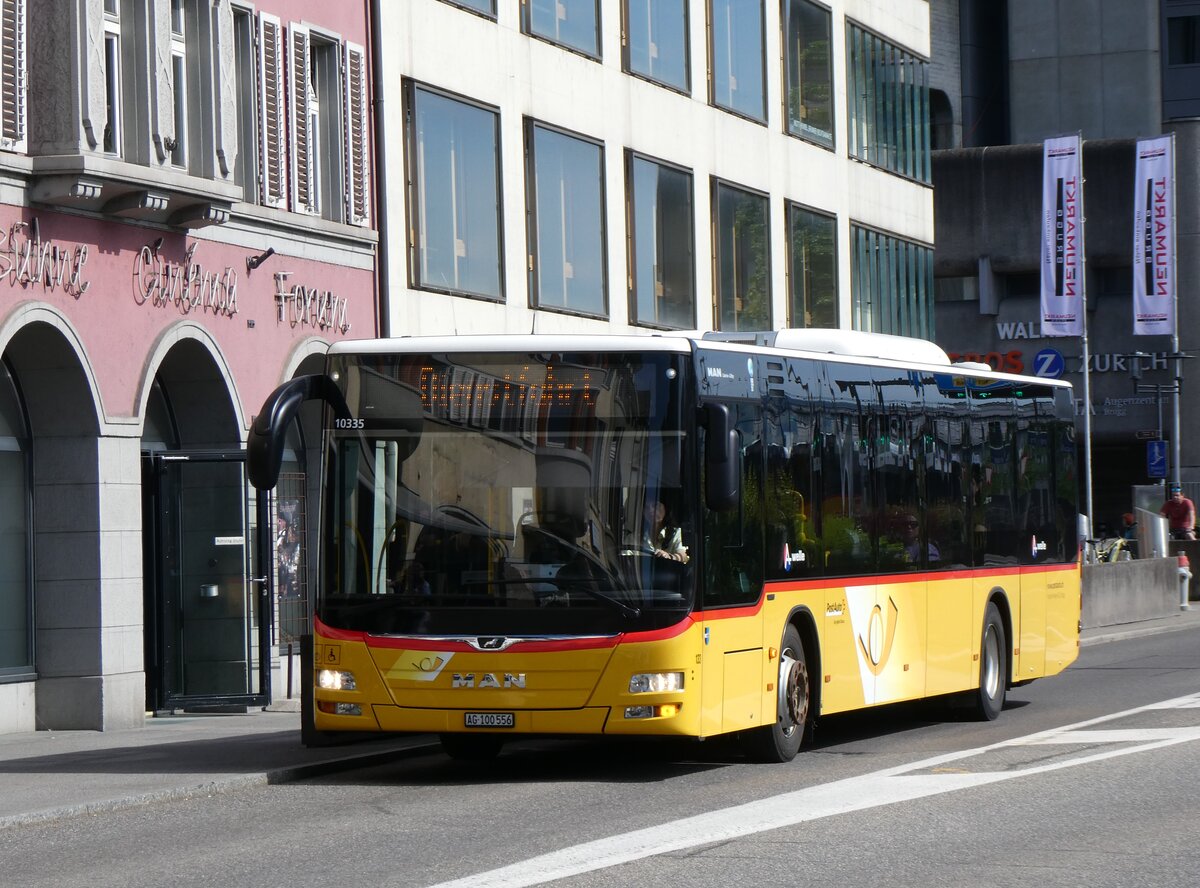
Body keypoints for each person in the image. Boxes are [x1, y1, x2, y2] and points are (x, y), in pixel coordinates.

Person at [644, 498, 688, 563]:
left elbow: (683, 556)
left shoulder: (678, 533)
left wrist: (669, 557)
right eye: (646, 507)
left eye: (656, 505)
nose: (651, 510)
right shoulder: (634, 537)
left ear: (666, 508)